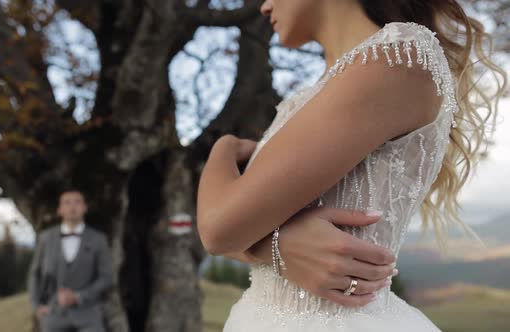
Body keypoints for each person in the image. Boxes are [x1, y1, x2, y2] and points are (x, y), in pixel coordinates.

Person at [197, 0, 506, 331]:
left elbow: (218, 229)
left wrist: (222, 148)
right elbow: (230, 229)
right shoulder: (334, 86)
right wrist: (276, 247)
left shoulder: (397, 57)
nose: (265, 6)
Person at [28, 189, 113, 332]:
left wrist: (78, 297)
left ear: (85, 207)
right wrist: (36, 306)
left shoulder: (98, 239)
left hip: (89, 316)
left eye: (77, 202)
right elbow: (35, 274)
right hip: (53, 316)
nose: (72, 207)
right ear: (59, 209)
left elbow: (107, 277)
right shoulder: (46, 238)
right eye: (67, 203)